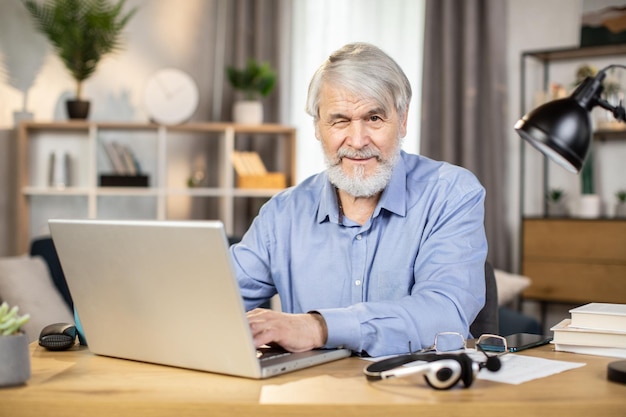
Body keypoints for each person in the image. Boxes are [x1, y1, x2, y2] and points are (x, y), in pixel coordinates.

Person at [230, 42, 487, 357]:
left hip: (418, 397)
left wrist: (318, 327)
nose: (357, 140)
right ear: (317, 128)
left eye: (374, 118)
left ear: (403, 120)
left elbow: (445, 315)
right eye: (339, 120)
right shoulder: (283, 213)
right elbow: (214, 300)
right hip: (311, 399)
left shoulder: (452, 193)